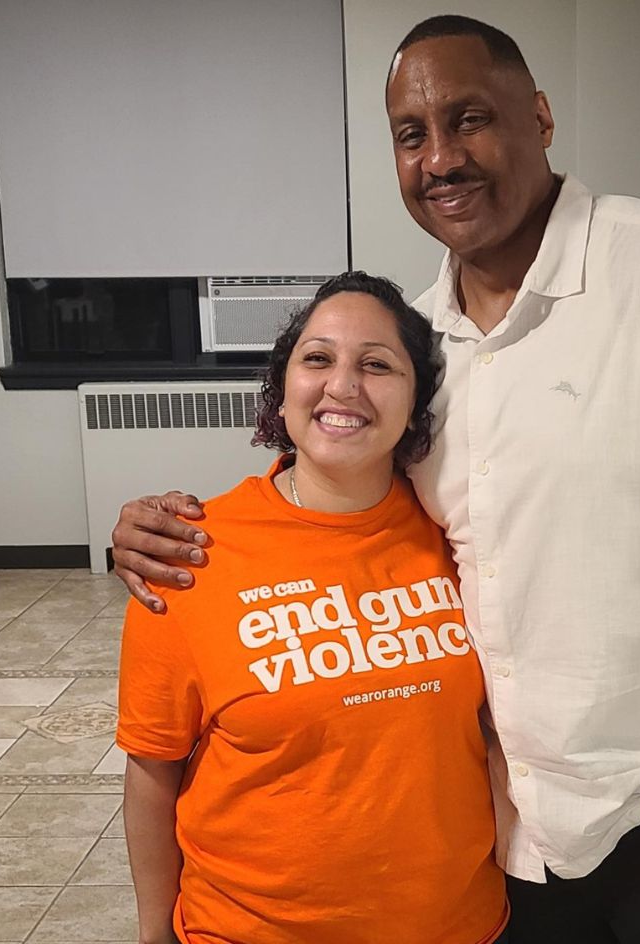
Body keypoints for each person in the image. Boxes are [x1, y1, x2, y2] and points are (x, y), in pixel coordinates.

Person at [111, 16, 640, 944]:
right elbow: (332, 499)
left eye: (470, 119)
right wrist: (167, 527)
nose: (441, 158)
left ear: (538, 117)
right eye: (411, 135)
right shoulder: (419, 343)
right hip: (516, 842)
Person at [117, 271, 509, 944]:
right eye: (318, 358)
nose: (343, 386)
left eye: (377, 365)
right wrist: (155, 932)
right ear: (284, 385)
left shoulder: (464, 538)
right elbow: (153, 769)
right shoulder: (188, 554)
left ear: (417, 402)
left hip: (460, 927)